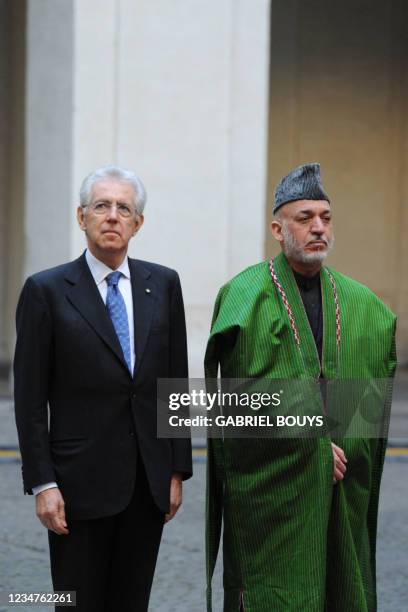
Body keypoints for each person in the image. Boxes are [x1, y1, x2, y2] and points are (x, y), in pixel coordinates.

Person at [205, 163, 396, 612]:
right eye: (304, 217)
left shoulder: (365, 306)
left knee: (341, 589)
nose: (318, 228)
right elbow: (231, 405)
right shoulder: (244, 298)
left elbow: (370, 403)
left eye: (326, 218)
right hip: (273, 505)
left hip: (342, 493)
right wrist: (310, 447)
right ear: (277, 228)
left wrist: (338, 442)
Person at [14, 165, 192, 611]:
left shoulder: (163, 284)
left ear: (138, 223)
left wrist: (175, 470)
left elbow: (174, 385)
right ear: (82, 217)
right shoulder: (46, 291)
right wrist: (43, 484)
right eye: (101, 206)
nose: (112, 216)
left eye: (123, 208)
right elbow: (30, 400)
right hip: (76, 488)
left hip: (146, 485)